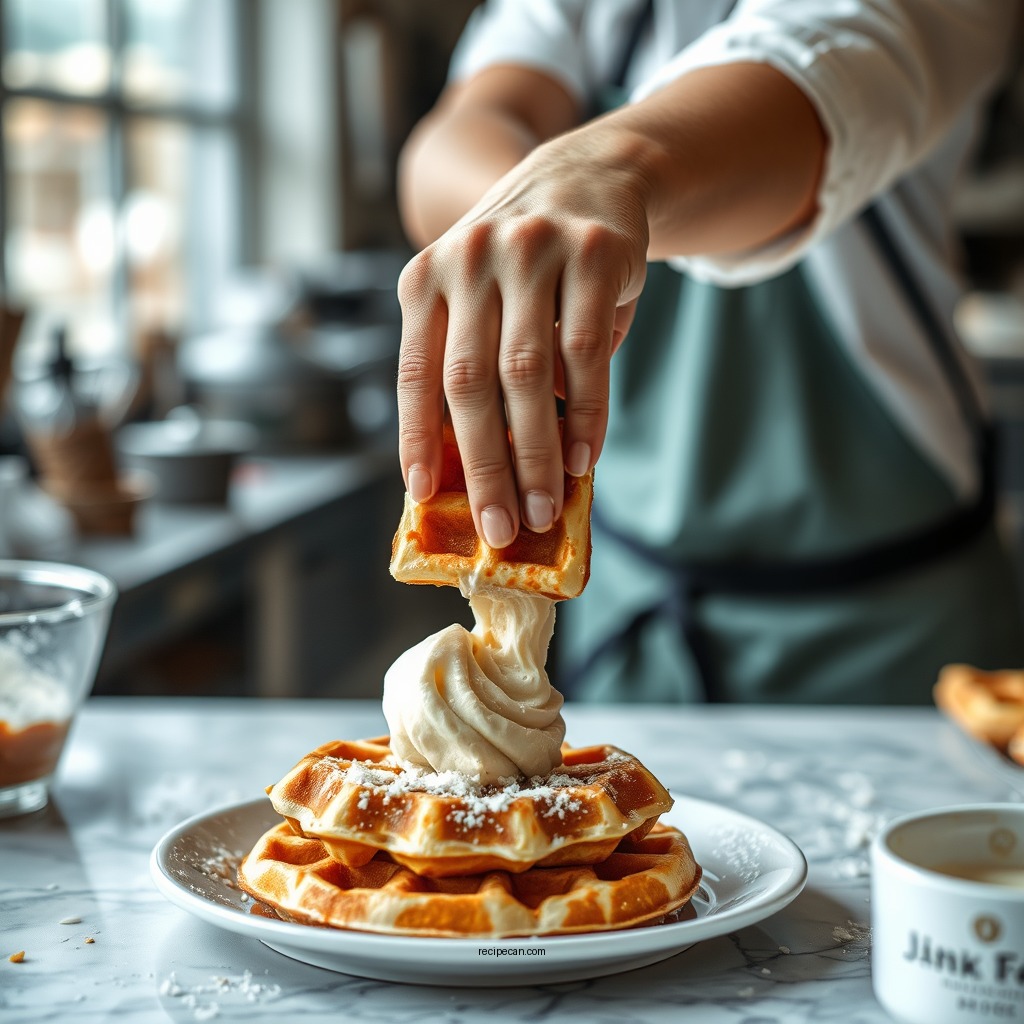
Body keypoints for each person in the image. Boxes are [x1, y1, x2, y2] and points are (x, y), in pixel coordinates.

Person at [393, 0, 1024, 704]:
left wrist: (601, 176)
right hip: (635, 614)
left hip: (895, 628)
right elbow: (454, 138)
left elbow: (811, 89)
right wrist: (536, 220)